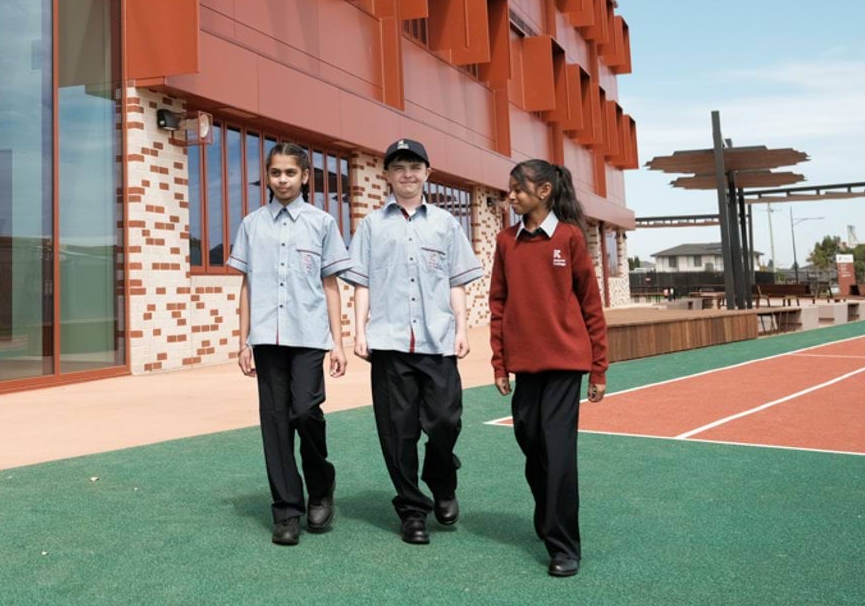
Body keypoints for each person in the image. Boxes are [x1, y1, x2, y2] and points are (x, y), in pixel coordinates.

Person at [345, 138, 481, 545]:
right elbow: (362, 284)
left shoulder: (445, 223)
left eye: (415, 166)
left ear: (427, 173)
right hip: (388, 343)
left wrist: (461, 329)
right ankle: (411, 511)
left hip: (437, 341)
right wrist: (358, 330)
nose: (407, 173)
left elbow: (456, 282)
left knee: (445, 421)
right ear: (386, 175)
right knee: (397, 431)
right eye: (399, 166)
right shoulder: (371, 225)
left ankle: (441, 480)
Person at [229, 143, 353, 546]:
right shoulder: (251, 224)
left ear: (304, 178)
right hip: (266, 337)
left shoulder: (321, 223)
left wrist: (338, 341)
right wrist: (244, 340)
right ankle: (286, 510)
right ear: (267, 177)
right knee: (275, 423)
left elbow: (330, 284)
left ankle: (320, 485)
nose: (282, 179)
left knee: (306, 413)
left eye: (290, 173)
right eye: (276, 173)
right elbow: (246, 285)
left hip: (308, 335)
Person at [490, 158, 609, 578]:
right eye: (510, 189)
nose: (511, 196)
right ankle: (548, 515)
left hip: (564, 366)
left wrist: (598, 369)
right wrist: (499, 363)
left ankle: (564, 546)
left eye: (517, 189)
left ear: (543, 192)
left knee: (558, 454)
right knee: (531, 442)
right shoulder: (506, 242)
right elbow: (497, 304)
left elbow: (591, 305)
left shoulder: (571, 238)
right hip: (525, 367)